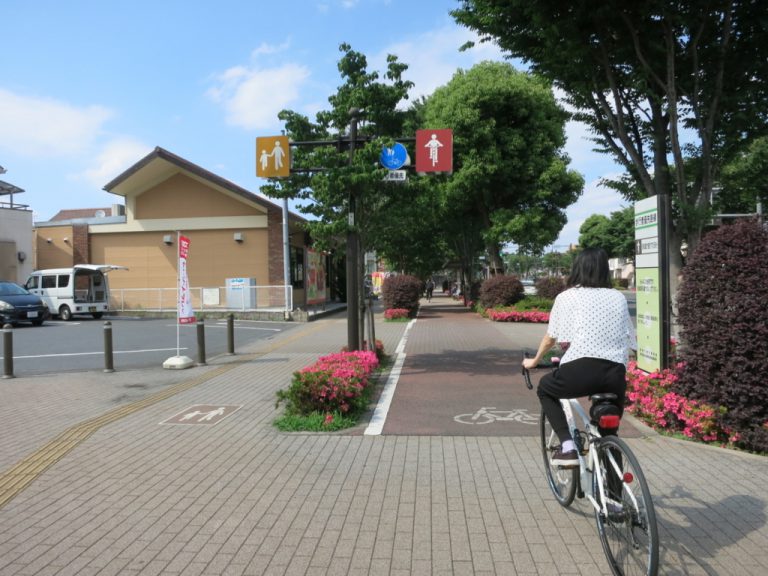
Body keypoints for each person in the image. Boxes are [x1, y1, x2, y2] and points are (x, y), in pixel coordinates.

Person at [522, 248, 636, 467]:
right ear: (604, 270)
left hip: (581, 370)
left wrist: (534, 361)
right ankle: (614, 499)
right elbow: (628, 338)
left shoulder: (567, 296)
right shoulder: (618, 297)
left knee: (545, 388)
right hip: (615, 374)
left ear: (578, 269)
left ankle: (567, 446)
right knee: (609, 433)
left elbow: (551, 338)